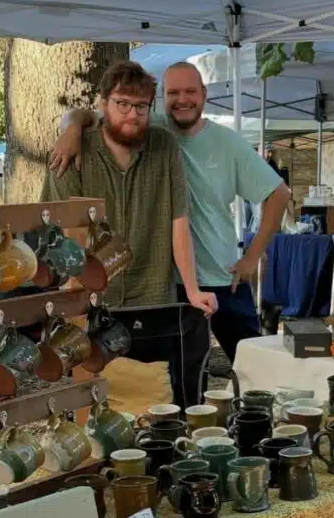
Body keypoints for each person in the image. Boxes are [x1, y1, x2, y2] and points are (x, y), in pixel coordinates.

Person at [51, 61, 290, 365]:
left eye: (190, 91)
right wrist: (70, 127)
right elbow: (87, 115)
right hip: (169, 282)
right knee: (183, 376)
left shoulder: (224, 142)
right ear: (162, 98)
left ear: (204, 94)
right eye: (173, 92)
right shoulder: (145, 124)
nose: (182, 99)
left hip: (221, 275)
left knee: (253, 366)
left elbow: (279, 194)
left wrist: (253, 255)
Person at [43, 60, 217, 408]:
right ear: (103, 103)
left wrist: (193, 289)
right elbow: (62, 233)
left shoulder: (164, 147)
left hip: (152, 296)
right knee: (93, 402)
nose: (132, 114)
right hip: (91, 299)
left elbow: (178, 221)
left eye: (141, 106)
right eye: (122, 103)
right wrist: (75, 292)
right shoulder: (74, 152)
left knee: (159, 398)